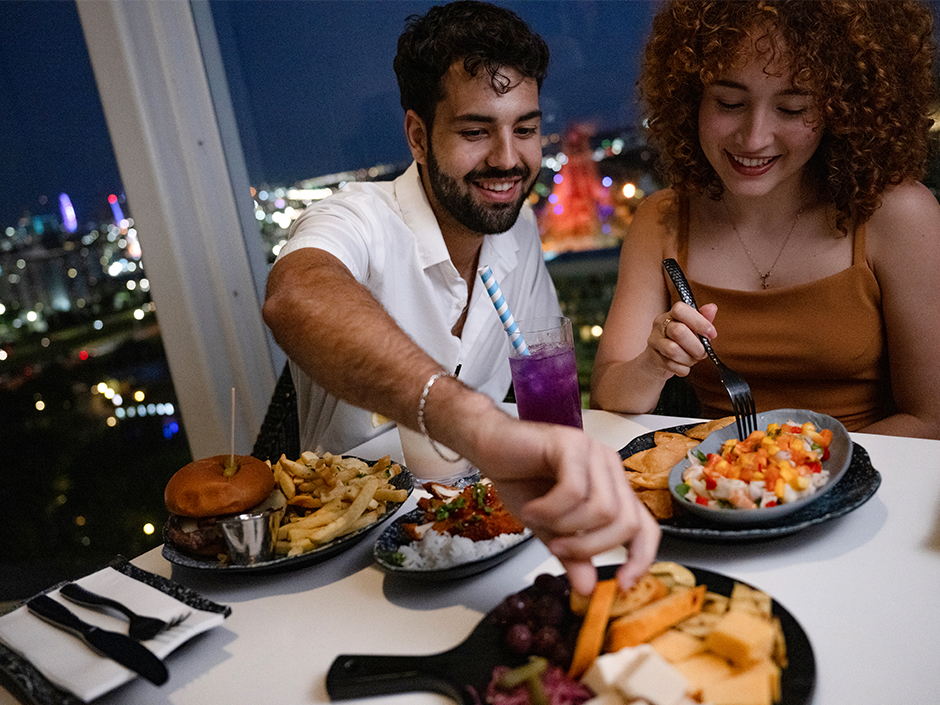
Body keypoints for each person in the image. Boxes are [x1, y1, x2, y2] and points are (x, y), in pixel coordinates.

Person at [263, 0, 660, 593]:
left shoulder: (517, 229)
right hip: (345, 564)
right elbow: (293, 296)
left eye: (525, 129)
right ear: (419, 136)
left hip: (481, 533)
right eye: (476, 131)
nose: (507, 159)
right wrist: (470, 421)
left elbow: (545, 383)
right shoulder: (360, 218)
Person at [592, 0, 940, 440]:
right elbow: (608, 396)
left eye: (792, 109)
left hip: (875, 485)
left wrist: (790, 468)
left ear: (842, 107)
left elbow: (932, 420)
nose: (754, 137)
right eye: (730, 102)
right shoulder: (661, 221)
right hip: (722, 490)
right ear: (690, 99)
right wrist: (653, 364)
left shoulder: (899, 216)